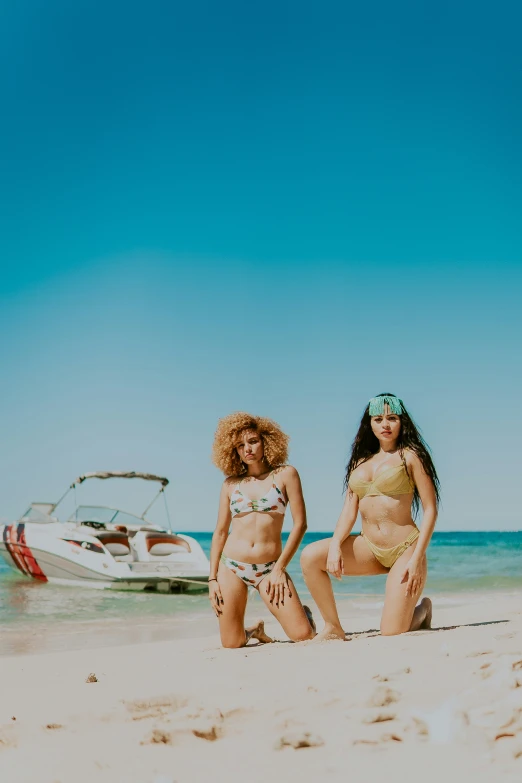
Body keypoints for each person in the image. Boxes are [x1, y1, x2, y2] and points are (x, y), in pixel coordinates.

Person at [301, 393, 439, 639]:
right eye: (378, 419)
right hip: (370, 547)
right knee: (311, 557)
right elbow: (349, 511)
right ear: (370, 424)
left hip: (405, 549)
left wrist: (417, 559)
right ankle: (333, 627)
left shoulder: (410, 456)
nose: (385, 424)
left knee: (392, 631)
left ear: (401, 422)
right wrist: (334, 544)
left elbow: (431, 509)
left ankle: (422, 610)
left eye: (392, 418)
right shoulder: (359, 463)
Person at [209, 412, 315, 648]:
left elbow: (300, 524)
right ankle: (255, 630)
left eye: (253, 441)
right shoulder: (230, 484)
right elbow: (220, 532)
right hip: (232, 566)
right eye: (240, 445)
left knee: (303, 635)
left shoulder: (286, 474)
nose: (247, 449)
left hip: (269, 568)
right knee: (232, 643)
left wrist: (279, 569)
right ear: (233, 450)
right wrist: (212, 578)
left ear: (266, 441)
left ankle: (305, 615)